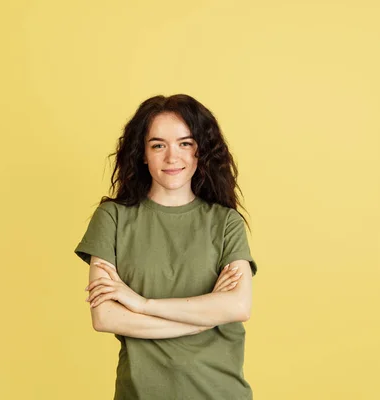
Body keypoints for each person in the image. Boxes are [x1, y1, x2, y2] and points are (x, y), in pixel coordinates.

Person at [74, 93, 258, 400]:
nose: (172, 157)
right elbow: (105, 317)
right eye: (158, 145)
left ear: (200, 151)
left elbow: (238, 307)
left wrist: (141, 304)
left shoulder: (226, 222)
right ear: (143, 153)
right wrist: (200, 320)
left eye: (185, 143)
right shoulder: (112, 218)